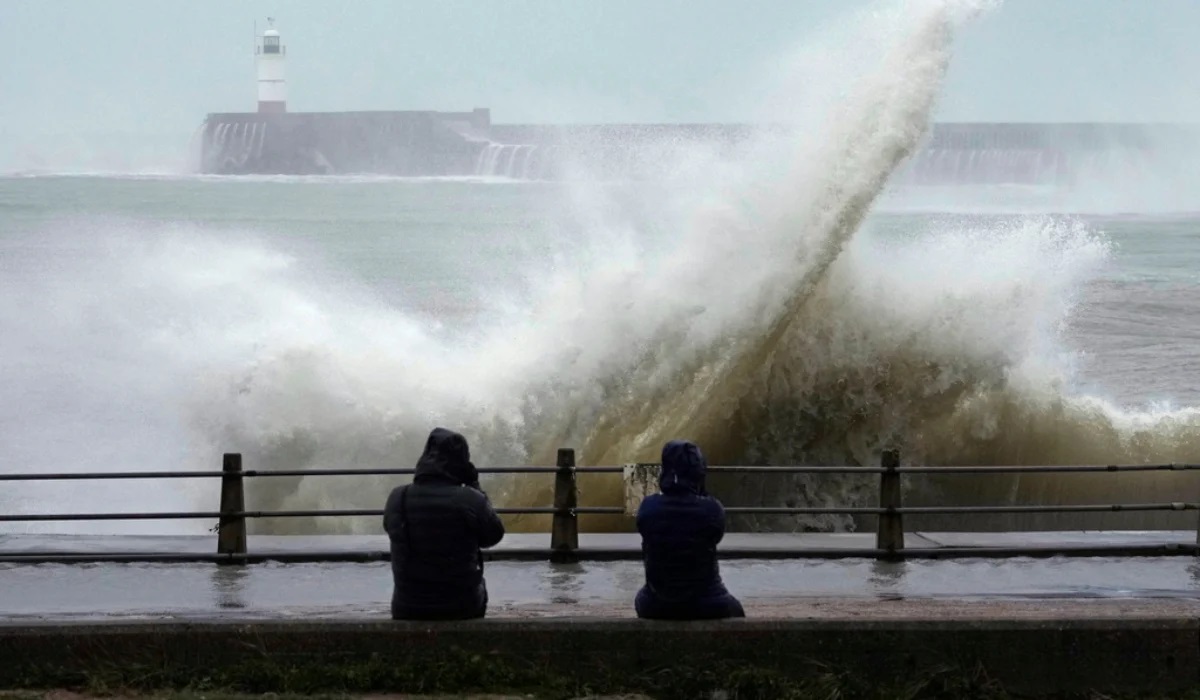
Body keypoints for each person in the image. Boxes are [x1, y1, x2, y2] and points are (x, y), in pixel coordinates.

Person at [383, 427, 505, 620]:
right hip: (461, 607)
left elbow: (391, 529)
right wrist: (474, 486)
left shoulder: (397, 497)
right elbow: (494, 535)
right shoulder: (469, 499)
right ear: (462, 462)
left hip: (407, 607)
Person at [634, 439, 745, 620]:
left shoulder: (647, 507)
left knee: (640, 598)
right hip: (708, 602)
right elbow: (715, 535)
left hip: (656, 604)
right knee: (736, 610)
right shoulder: (712, 509)